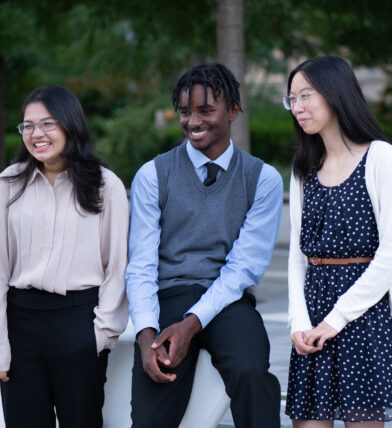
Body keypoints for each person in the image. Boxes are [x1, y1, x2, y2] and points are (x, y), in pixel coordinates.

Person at [126, 62, 283, 428]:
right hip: (170, 295)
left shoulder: (263, 180)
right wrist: (146, 334)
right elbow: (141, 264)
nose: (193, 121)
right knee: (151, 413)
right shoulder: (153, 175)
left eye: (205, 110)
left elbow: (243, 267)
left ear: (232, 111)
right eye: (185, 112)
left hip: (228, 299)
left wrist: (191, 324)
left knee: (251, 374)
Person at [284, 55, 392, 428]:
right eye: (292, 99)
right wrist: (299, 322)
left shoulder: (381, 157)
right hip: (312, 316)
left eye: (305, 96)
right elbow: (298, 257)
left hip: (364, 316)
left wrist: (337, 319)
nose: (297, 108)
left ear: (335, 94)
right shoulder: (303, 167)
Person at [0, 86, 129, 428]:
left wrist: (100, 337)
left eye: (47, 123)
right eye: (28, 126)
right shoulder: (8, 185)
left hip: (79, 323)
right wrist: (0, 343)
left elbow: (117, 267)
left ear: (71, 124)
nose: (36, 134)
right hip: (20, 325)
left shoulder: (106, 186)